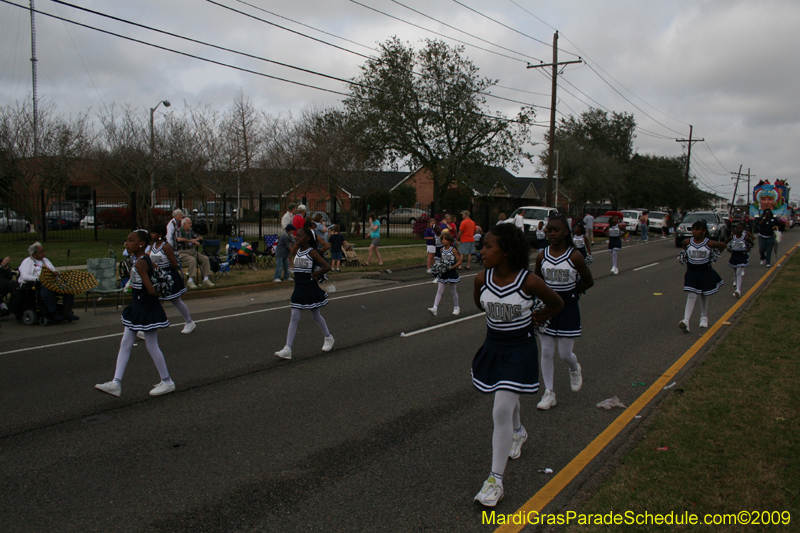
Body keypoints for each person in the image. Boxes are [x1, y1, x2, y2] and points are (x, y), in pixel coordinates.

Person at [471, 223, 563, 507]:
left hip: (519, 350)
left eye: (488, 246)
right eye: (483, 246)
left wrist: (537, 318)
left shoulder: (529, 281)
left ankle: (494, 481)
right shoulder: (480, 279)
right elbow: (480, 306)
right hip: (493, 347)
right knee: (505, 394)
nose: (482, 251)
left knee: (500, 409)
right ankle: (519, 432)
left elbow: (556, 303)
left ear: (507, 251)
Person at [95, 230, 175, 397]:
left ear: (140, 244)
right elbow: (156, 273)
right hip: (139, 306)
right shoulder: (143, 259)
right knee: (126, 342)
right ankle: (116, 383)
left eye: (131, 240)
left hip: (144, 307)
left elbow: (151, 290)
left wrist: (149, 290)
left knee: (151, 344)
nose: (127, 243)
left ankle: (167, 381)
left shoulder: (140, 263)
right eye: (127, 240)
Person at [534, 215, 594, 410]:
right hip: (547, 309)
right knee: (546, 352)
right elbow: (536, 281)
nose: (551, 233)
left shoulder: (574, 256)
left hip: (568, 308)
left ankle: (574, 368)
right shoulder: (542, 255)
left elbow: (588, 281)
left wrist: (573, 292)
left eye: (556, 230)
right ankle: (549, 392)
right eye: (549, 230)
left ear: (566, 232)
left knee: (565, 353)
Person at [274, 227, 334, 359]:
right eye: (296, 236)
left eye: (300, 236)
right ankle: (287, 348)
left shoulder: (312, 252)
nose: (296, 238)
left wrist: (314, 274)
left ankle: (328, 337)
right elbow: (293, 252)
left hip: (309, 287)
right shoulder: (298, 250)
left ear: (308, 238)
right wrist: (297, 242)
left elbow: (327, 266)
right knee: (294, 317)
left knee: (316, 315)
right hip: (299, 287)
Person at [679, 220, 726, 332]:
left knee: (704, 294)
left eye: (697, 229)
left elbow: (723, 245)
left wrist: (714, 255)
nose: (694, 231)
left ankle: (703, 317)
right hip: (692, 272)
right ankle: (686, 321)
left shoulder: (708, 243)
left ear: (704, 231)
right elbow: (684, 248)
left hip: (705, 271)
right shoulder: (687, 242)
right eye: (693, 229)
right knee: (692, 294)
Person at [147, 224, 195, 334]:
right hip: (157, 277)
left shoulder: (166, 246)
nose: (151, 234)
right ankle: (148, 326)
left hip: (168, 277)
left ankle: (189, 322)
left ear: (160, 235)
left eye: (153, 233)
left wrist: (160, 268)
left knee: (176, 301)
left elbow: (174, 264)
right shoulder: (153, 245)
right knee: (154, 302)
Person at [18, 242, 79, 322]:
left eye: (44, 251)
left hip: (51, 282)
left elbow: (54, 270)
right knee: (47, 288)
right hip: (37, 284)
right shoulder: (27, 262)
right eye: (41, 252)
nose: (44, 253)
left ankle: (66, 312)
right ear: (34, 253)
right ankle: (53, 312)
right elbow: (25, 277)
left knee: (69, 288)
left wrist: (56, 273)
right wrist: (38, 279)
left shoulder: (46, 261)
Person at [428, 232, 462, 316]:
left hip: (451, 272)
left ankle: (456, 307)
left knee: (453, 291)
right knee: (439, 290)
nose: (443, 240)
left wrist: (453, 267)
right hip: (444, 273)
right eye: (442, 239)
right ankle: (435, 308)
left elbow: (460, 261)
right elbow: (442, 260)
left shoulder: (453, 250)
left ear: (450, 241)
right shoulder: (441, 249)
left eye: (445, 239)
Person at [175, 217, 214, 289]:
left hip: (192, 251)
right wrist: (190, 241)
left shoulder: (190, 231)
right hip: (183, 252)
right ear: (184, 224)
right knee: (192, 260)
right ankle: (190, 280)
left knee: (205, 258)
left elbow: (200, 237)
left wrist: (195, 240)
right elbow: (179, 239)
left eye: (191, 223)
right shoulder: (179, 231)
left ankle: (206, 279)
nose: (191, 224)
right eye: (189, 223)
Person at [726, 222, 754, 299]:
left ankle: (738, 290)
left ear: (743, 230)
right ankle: (736, 286)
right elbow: (725, 242)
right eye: (736, 228)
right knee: (735, 271)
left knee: (739, 272)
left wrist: (747, 249)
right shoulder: (733, 237)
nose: (737, 229)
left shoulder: (745, 237)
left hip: (742, 256)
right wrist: (728, 248)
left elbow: (752, 244)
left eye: (739, 228)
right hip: (734, 255)